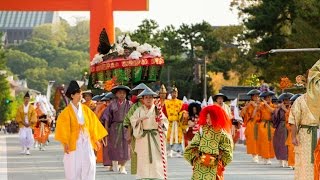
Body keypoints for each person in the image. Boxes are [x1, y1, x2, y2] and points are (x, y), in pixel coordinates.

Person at [55, 80, 108, 180]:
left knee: (89, 164)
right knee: (74, 167)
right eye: (78, 93)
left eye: (81, 93)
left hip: (86, 141)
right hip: (73, 142)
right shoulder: (65, 113)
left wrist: (96, 139)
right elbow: (63, 128)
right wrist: (65, 143)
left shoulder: (86, 109)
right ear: (72, 95)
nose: (81, 95)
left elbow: (93, 124)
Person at [184, 105, 233, 180]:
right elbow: (193, 144)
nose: (208, 121)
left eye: (211, 118)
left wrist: (221, 156)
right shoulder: (202, 130)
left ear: (216, 118)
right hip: (200, 161)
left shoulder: (221, 132)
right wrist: (195, 152)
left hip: (215, 163)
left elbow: (227, 147)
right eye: (207, 118)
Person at [290, 60, 320, 180]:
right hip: (304, 135)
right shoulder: (300, 100)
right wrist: (293, 136)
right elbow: (293, 120)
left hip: (318, 133)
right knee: (305, 162)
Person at [130, 87, 169, 179]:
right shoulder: (139, 110)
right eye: (146, 98)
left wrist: (161, 123)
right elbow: (133, 120)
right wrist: (140, 119)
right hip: (143, 137)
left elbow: (165, 123)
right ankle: (143, 177)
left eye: (150, 97)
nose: (148, 99)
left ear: (153, 99)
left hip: (155, 137)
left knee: (157, 159)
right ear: (142, 99)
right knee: (143, 158)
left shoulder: (157, 110)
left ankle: (157, 176)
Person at [101, 85, 132, 174]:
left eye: (124, 93)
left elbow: (133, 117)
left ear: (126, 94)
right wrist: (106, 130)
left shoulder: (129, 104)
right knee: (114, 147)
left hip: (126, 127)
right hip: (114, 128)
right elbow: (107, 117)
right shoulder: (112, 104)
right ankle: (115, 162)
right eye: (120, 93)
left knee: (126, 147)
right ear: (116, 94)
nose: (122, 95)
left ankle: (123, 166)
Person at [122, 83, 149, 174]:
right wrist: (128, 134)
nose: (142, 94)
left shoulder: (152, 106)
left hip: (149, 133)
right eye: (140, 92)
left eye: (144, 92)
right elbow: (129, 121)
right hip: (136, 133)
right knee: (136, 153)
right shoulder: (134, 107)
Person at [163, 85, 188, 157]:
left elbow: (184, 113)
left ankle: (178, 151)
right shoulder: (166, 103)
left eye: (175, 93)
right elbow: (164, 113)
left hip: (178, 123)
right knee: (168, 136)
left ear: (177, 94)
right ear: (171, 93)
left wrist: (184, 123)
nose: (174, 94)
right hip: (169, 123)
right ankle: (168, 151)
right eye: (173, 92)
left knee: (178, 137)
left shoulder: (181, 103)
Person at [273, 92, 293, 167]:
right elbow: (275, 116)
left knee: (289, 144)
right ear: (283, 100)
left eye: (288, 100)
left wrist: (285, 109)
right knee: (280, 143)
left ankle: (289, 160)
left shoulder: (292, 107)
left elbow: (292, 115)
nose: (287, 101)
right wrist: (277, 109)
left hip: (290, 126)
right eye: (286, 100)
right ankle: (281, 159)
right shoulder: (279, 108)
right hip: (281, 126)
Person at [241, 89, 261, 163]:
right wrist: (255, 108)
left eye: (257, 96)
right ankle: (254, 156)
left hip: (259, 124)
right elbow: (252, 116)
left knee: (259, 140)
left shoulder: (260, 104)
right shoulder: (250, 105)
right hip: (252, 124)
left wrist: (258, 105)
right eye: (255, 96)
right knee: (252, 140)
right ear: (252, 97)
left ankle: (260, 155)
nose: (256, 97)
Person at [257, 91, 276, 165]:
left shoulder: (273, 105)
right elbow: (257, 112)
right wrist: (260, 103)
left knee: (270, 142)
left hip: (271, 125)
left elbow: (273, 111)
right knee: (264, 141)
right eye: (267, 97)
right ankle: (265, 157)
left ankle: (268, 156)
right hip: (263, 125)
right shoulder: (261, 106)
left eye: (270, 97)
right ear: (264, 98)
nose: (269, 99)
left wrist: (266, 104)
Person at [286, 94, 300, 169]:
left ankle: (299, 163)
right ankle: (292, 163)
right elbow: (287, 122)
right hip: (292, 130)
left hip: (302, 131)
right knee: (291, 148)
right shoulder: (290, 110)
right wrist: (291, 128)